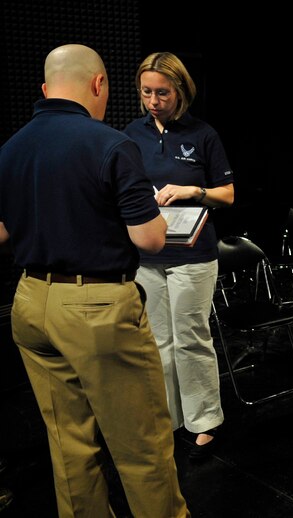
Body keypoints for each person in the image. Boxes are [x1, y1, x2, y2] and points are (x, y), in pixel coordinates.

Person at [0, 44, 188, 517]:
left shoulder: (10, 148)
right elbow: (149, 240)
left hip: (29, 305)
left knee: (68, 447)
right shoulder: (110, 144)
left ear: (45, 89)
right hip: (97, 312)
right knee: (141, 444)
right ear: (98, 85)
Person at [124, 52, 234, 461]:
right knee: (158, 342)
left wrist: (193, 191)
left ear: (181, 91)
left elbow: (228, 194)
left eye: (163, 93)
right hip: (148, 254)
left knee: (190, 338)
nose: (154, 100)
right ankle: (168, 417)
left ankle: (204, 420)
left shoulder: (202, 134)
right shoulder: (131, 134)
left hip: (194, 256)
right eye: (147, 92)